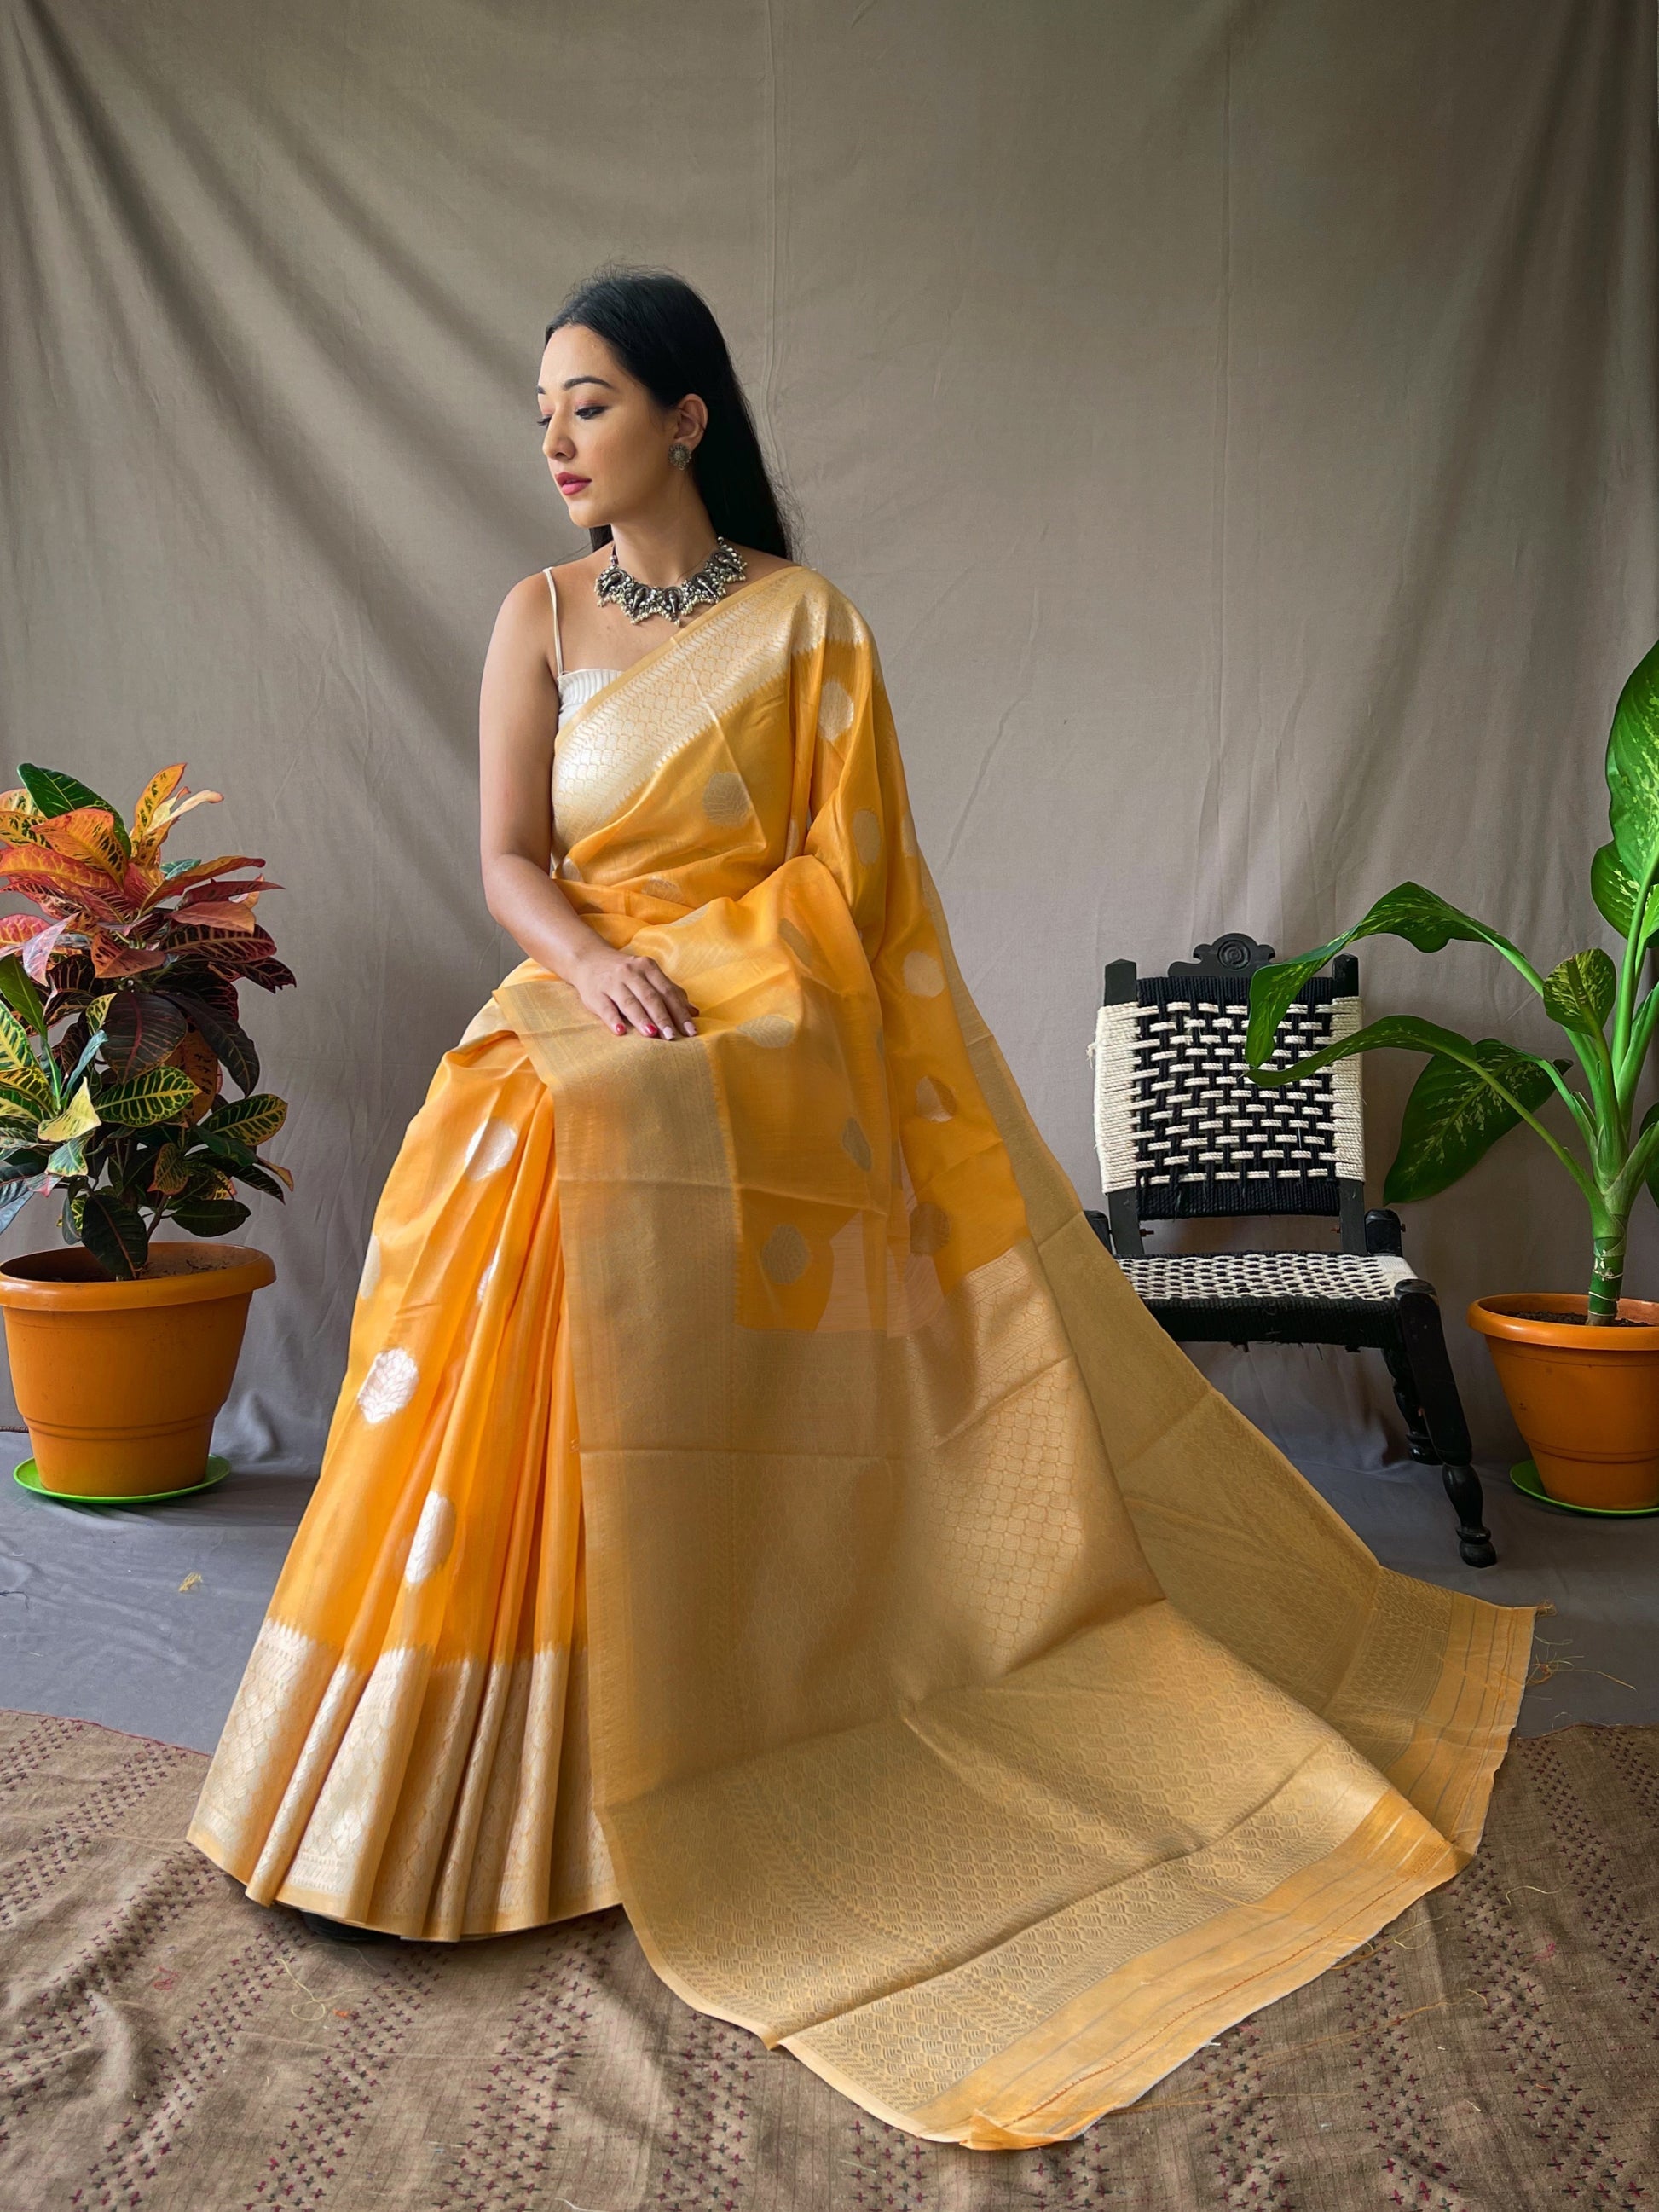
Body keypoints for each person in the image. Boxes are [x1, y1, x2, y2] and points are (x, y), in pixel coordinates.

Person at [187, 265, 1534, 2149]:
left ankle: (708, 1737)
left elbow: (859, 896)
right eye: (542, 412)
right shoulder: (537, 616)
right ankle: (473, 1766)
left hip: (767, 1025)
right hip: (587, 996)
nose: (555, 440)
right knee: (501, 1165)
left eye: (586, 402)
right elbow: (508, 857)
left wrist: (716, 993)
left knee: (654, 1139)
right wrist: (590, 970)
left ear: (685, 416)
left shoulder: (806, 629)